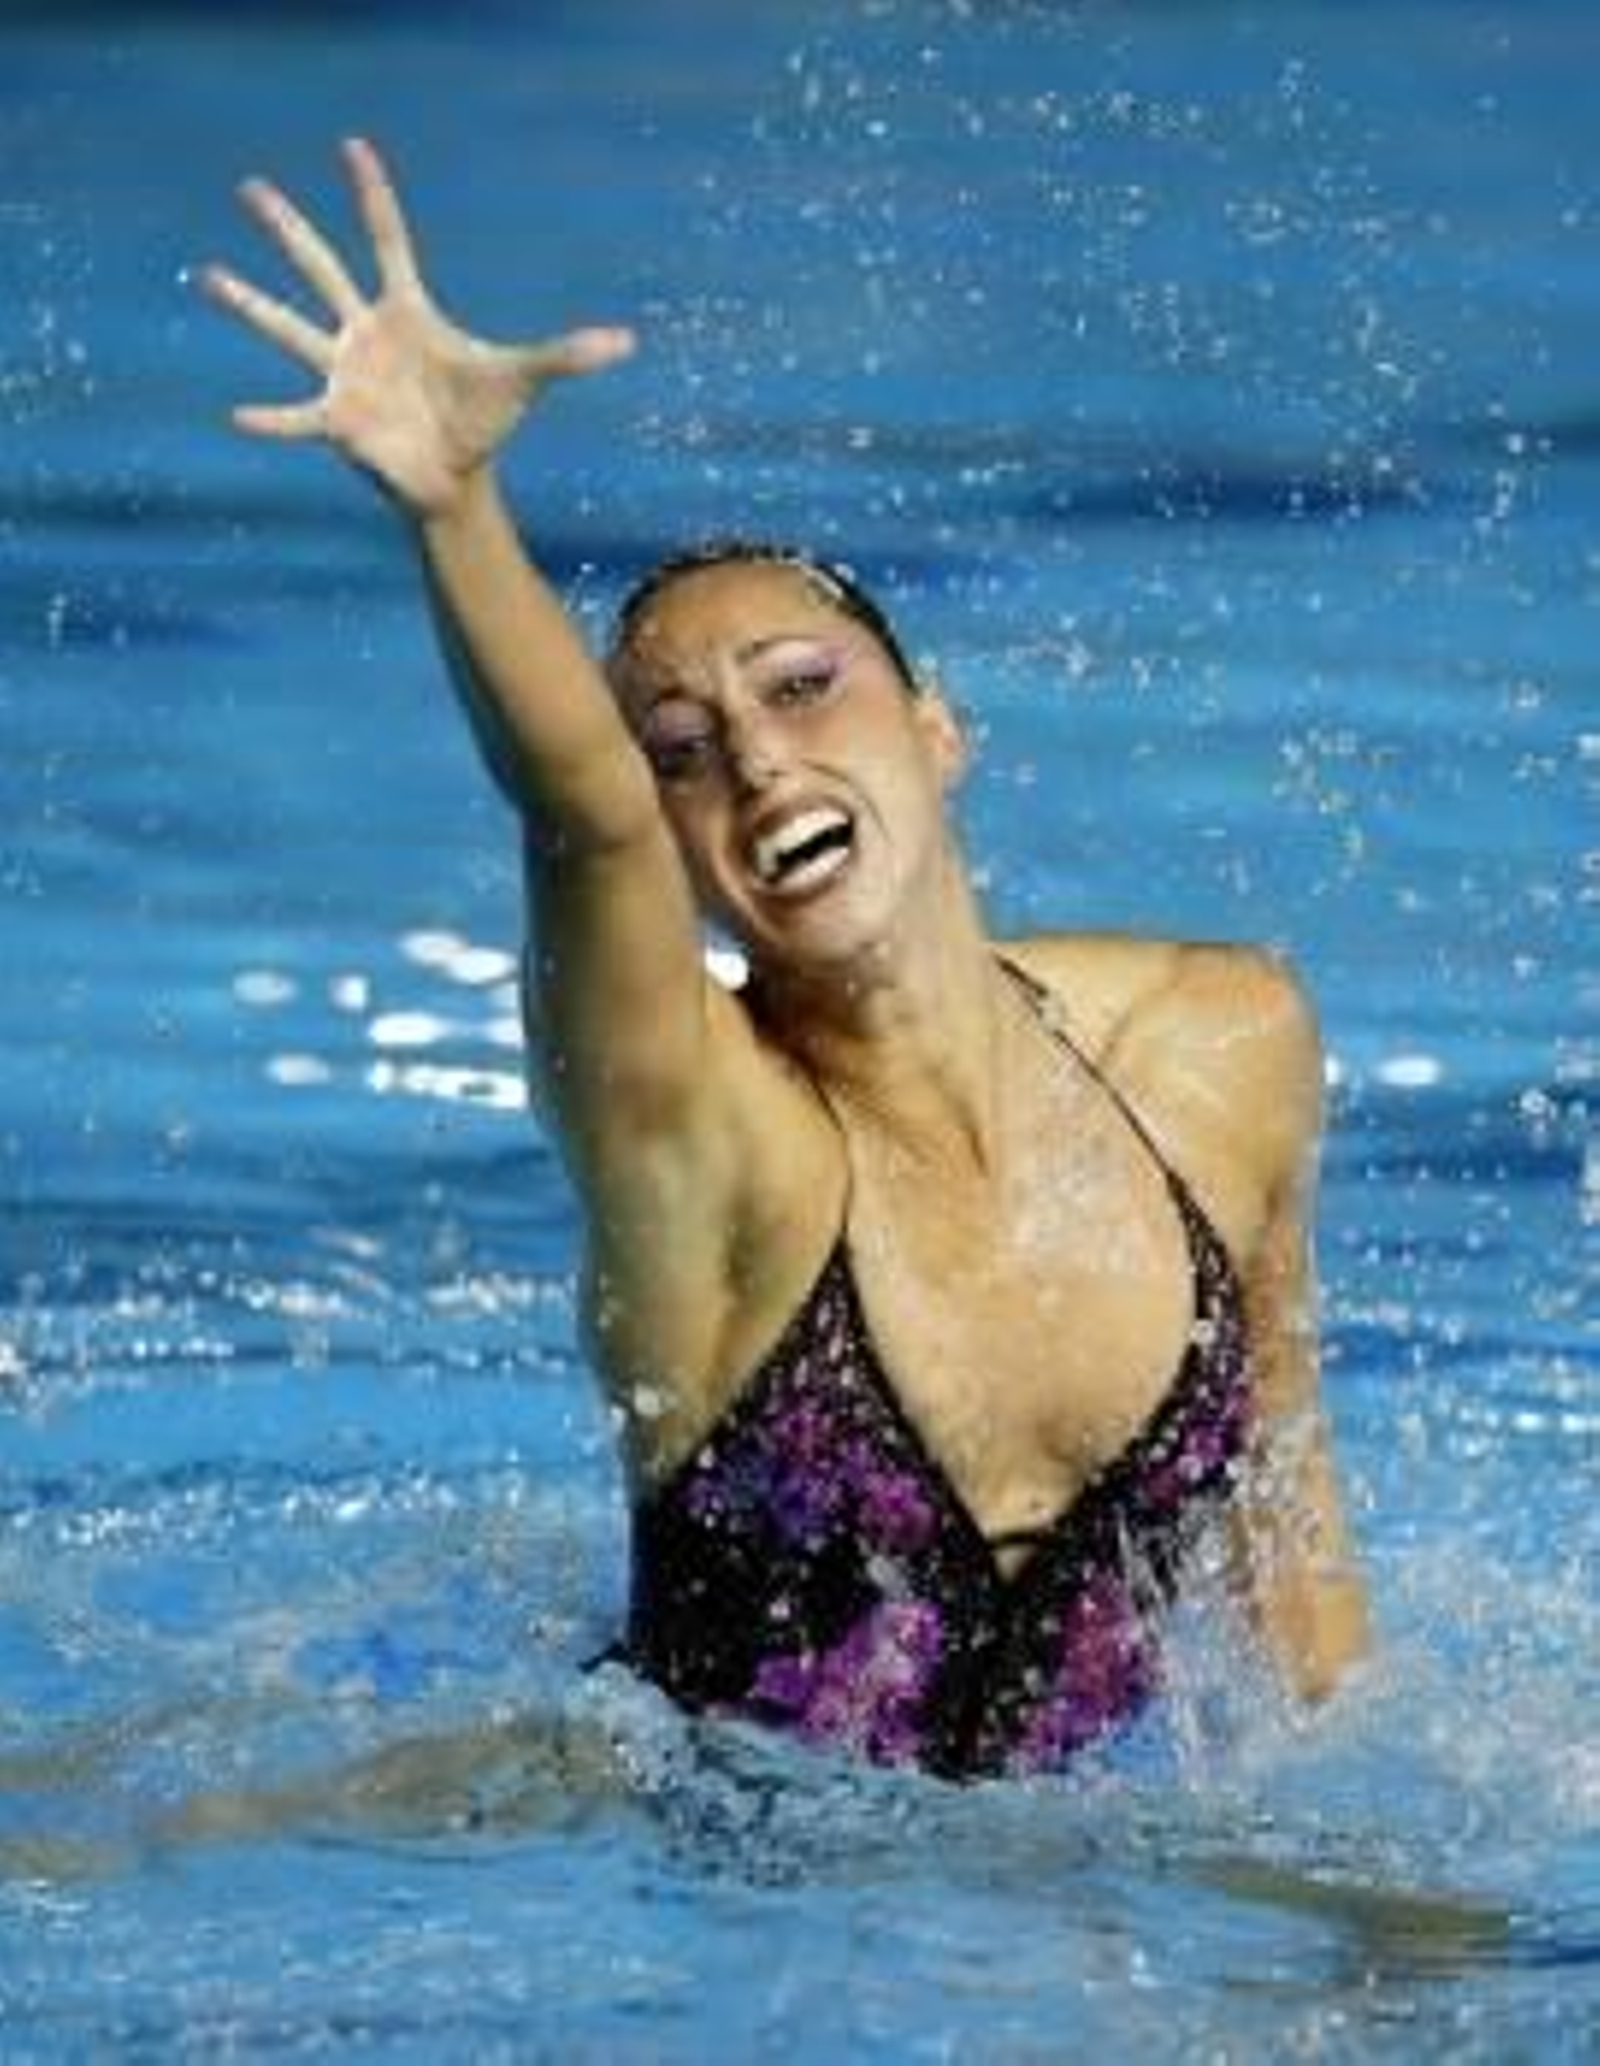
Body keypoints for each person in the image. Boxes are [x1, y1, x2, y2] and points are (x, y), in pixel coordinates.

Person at [205, 138, 1369, 1781]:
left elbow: (1290, 1533)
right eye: (684, 744)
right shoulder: (705, 1143)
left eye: (803, 685)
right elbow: (580, 819)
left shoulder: (1224, 1046)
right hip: (690, 1905)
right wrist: (458, 508)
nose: (753, 758)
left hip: (1061, 1922)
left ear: (941, 729)